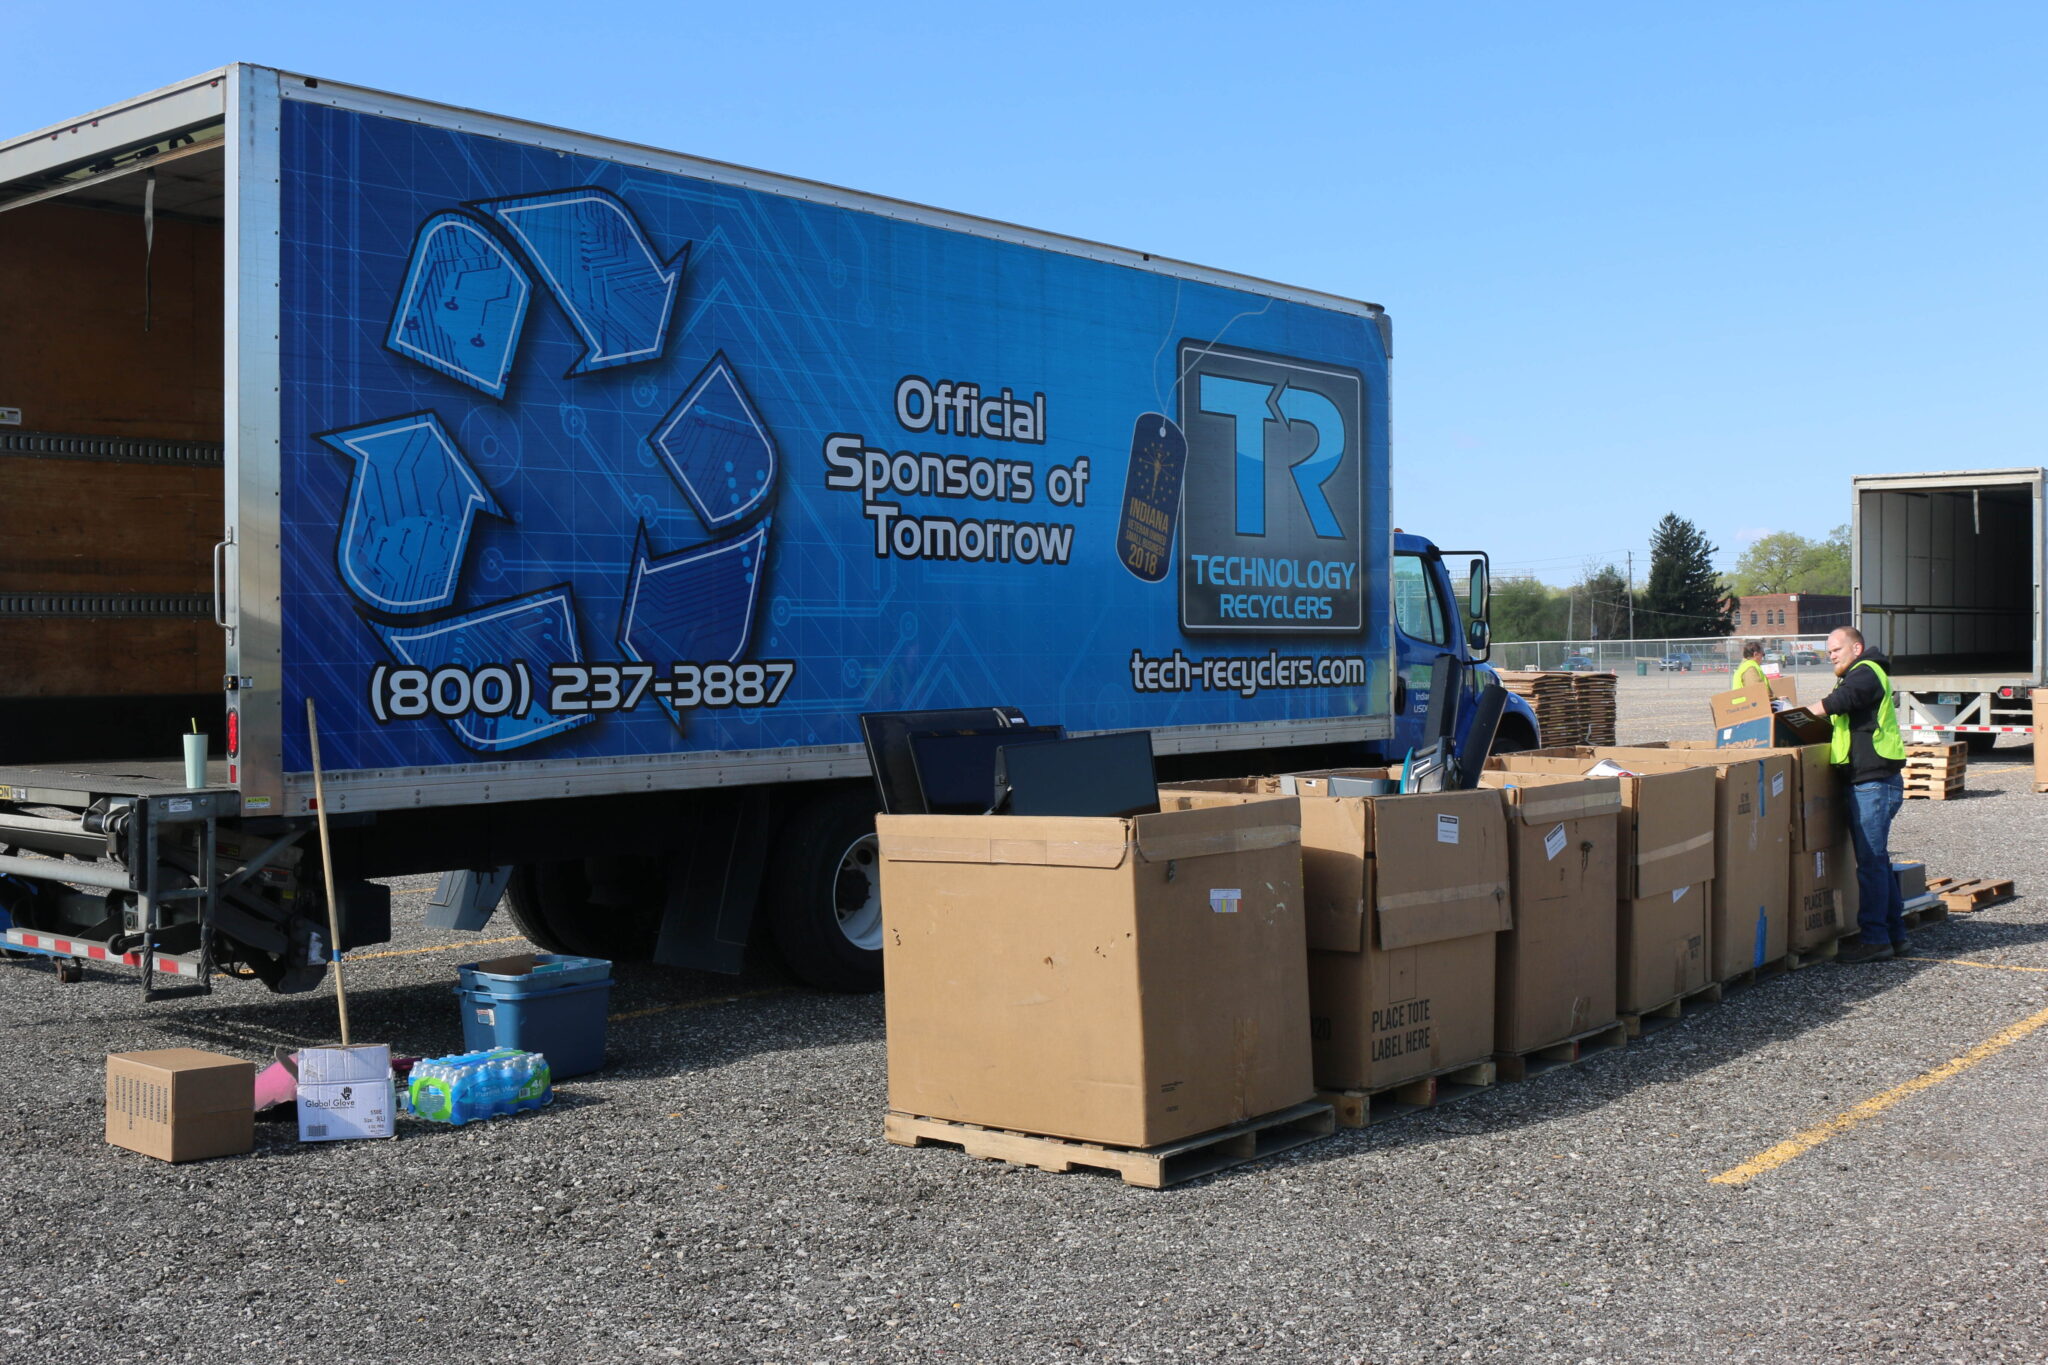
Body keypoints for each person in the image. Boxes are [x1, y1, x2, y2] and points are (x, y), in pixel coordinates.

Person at [1808, 626, 1907, 961]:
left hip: (1874, 783)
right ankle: (1894, 935)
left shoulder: (1866, 672)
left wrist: (1801, 713)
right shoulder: (1855, 674)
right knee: (1876, 861)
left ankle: (1876, 939)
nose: (1831, 656)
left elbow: (1841, 702)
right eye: (1829, 651)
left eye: (1835, 649)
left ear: (1856, 647)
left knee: (1871, 864)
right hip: (1866, 781)